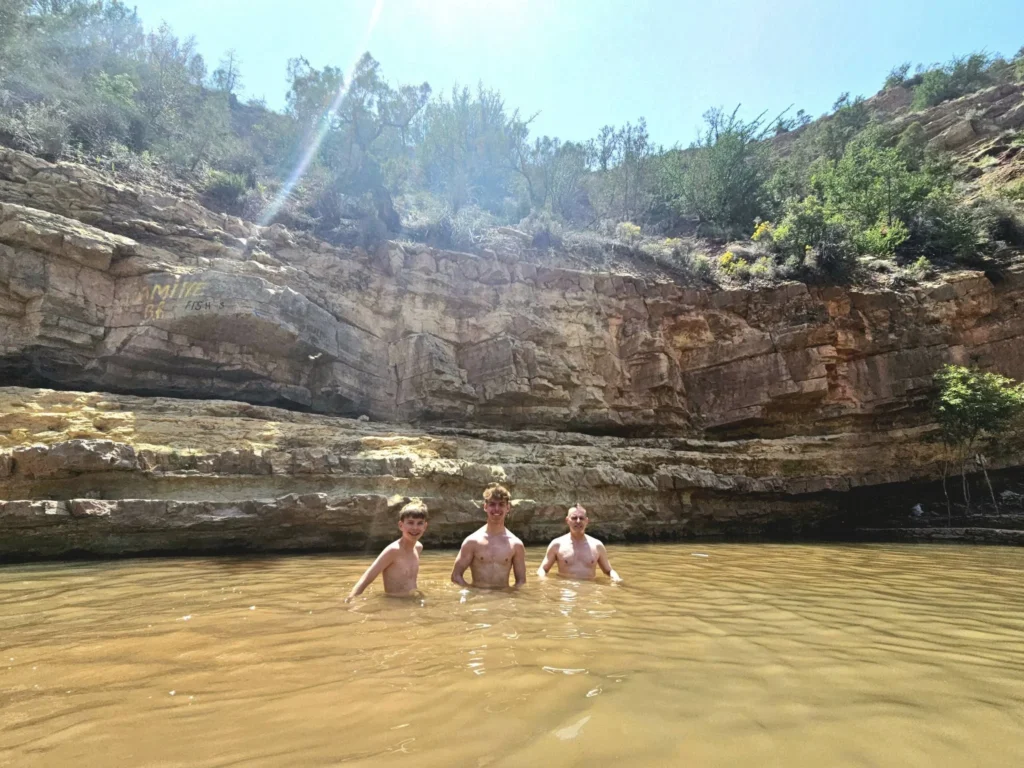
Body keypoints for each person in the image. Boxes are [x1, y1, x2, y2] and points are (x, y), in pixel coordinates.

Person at [345, 499, 429, 601]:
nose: (415, 528)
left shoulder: (418, 547)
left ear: (425, 526)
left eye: (420, 523)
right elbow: (366, 579)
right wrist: (350, 601)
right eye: (410, 523)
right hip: (395, 604)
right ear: (401, 525)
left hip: (412, 601)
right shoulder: (393, 551)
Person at [451, 483, 526, 589]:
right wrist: (473, 593)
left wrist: (510, 597)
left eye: (501, 504)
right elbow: (456, 576)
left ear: (508, 508)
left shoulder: (516, 545)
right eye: (492, 504)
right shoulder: (472, 542)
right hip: (478, 601)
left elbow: (521, 582)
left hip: (503, 601)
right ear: (485, 507)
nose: (496, 509)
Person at [537, 503, 622, 582]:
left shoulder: (597, 546)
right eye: (574, 518)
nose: (578, 521)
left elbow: (608, 570)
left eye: (581, 518)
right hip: (567, 591)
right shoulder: (557, 544)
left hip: (590, 589)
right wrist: (543, 581)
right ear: (567, 520)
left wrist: (616, 578)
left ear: (587, 521)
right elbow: (543, 569)